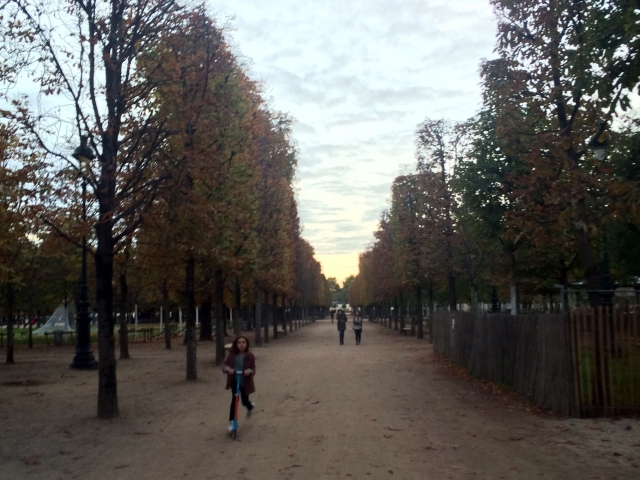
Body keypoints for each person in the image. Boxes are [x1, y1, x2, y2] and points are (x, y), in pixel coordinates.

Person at [221, 336, 256, 432]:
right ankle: (232, 421)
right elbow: (224, 364)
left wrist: (249, 371)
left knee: (244, 401)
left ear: (246, 344)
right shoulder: (232, 355)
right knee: (235, 399)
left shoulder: (250, 355)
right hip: (234, 380)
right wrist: (227, 369)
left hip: (245, 381)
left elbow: (253, 368)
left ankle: (250, 406)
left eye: (243, 342)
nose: (241, 344)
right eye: (239, 342)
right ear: (236, 344)